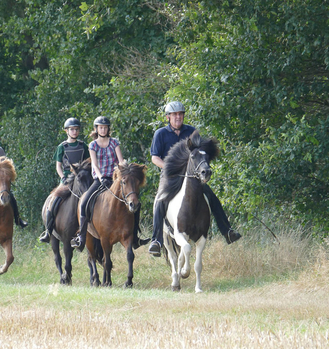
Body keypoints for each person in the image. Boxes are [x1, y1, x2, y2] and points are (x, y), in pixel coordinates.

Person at [147, 101, 241, 256]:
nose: (178, 117)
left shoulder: (192, 132)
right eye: (175, 114)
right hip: (170, 175)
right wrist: (170, 168)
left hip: (191, 176)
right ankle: (156, 240)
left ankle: (227, 231)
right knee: (160, 200)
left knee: (211, 196)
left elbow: (200, 153)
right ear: (168, 117)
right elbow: (154, 158)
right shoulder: (160, 133)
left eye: (180, 114)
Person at [70, 116, 148, 251]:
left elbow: (120, 160)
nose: (103, 129)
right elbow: (94, 164)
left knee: (135, 203)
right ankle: (81, 237)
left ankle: (135, 237)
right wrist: (100, 177)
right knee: (84, 203)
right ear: (96, 129)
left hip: (115, 180)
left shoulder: (114, 143)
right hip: (99, 180)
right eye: (101, 127)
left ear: (108, 129)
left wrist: (124, 170)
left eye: (105, 127)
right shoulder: (92, 145)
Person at [38, 117, 90, 243]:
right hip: (67, 178)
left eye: (76, 129)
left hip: (81, 178)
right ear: (66, 131)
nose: (74, 132)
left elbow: (89, 163)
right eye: (72, 129)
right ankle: (48, 230)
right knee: (54, 201)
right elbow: (58, 166)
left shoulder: (83, 146)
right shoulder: (62, 147)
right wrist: (62, 177)